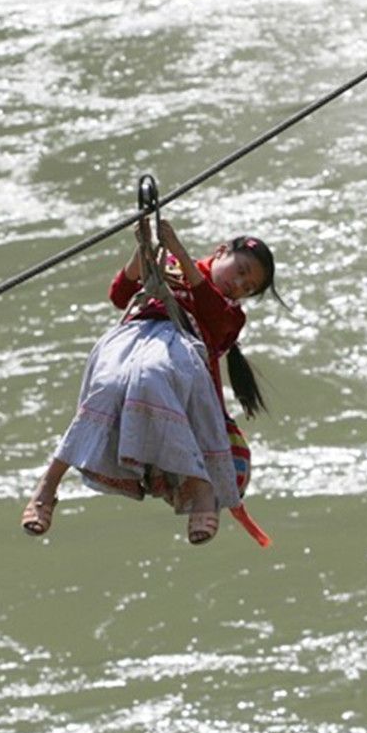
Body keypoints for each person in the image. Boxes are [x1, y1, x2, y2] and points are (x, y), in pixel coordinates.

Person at [21, 215, 279, 546]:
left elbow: (213, 320)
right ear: (222, 251)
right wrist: (142, 251)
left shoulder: (231, 313)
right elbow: (120, 294)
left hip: (180, 352)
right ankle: (48, 484)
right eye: (240, 271)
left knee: (152, 375)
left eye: (248, 288)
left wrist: (182, 255)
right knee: (108, 387)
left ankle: (200, 489)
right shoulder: (166, 263)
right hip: (131, 341)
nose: (239, 286)